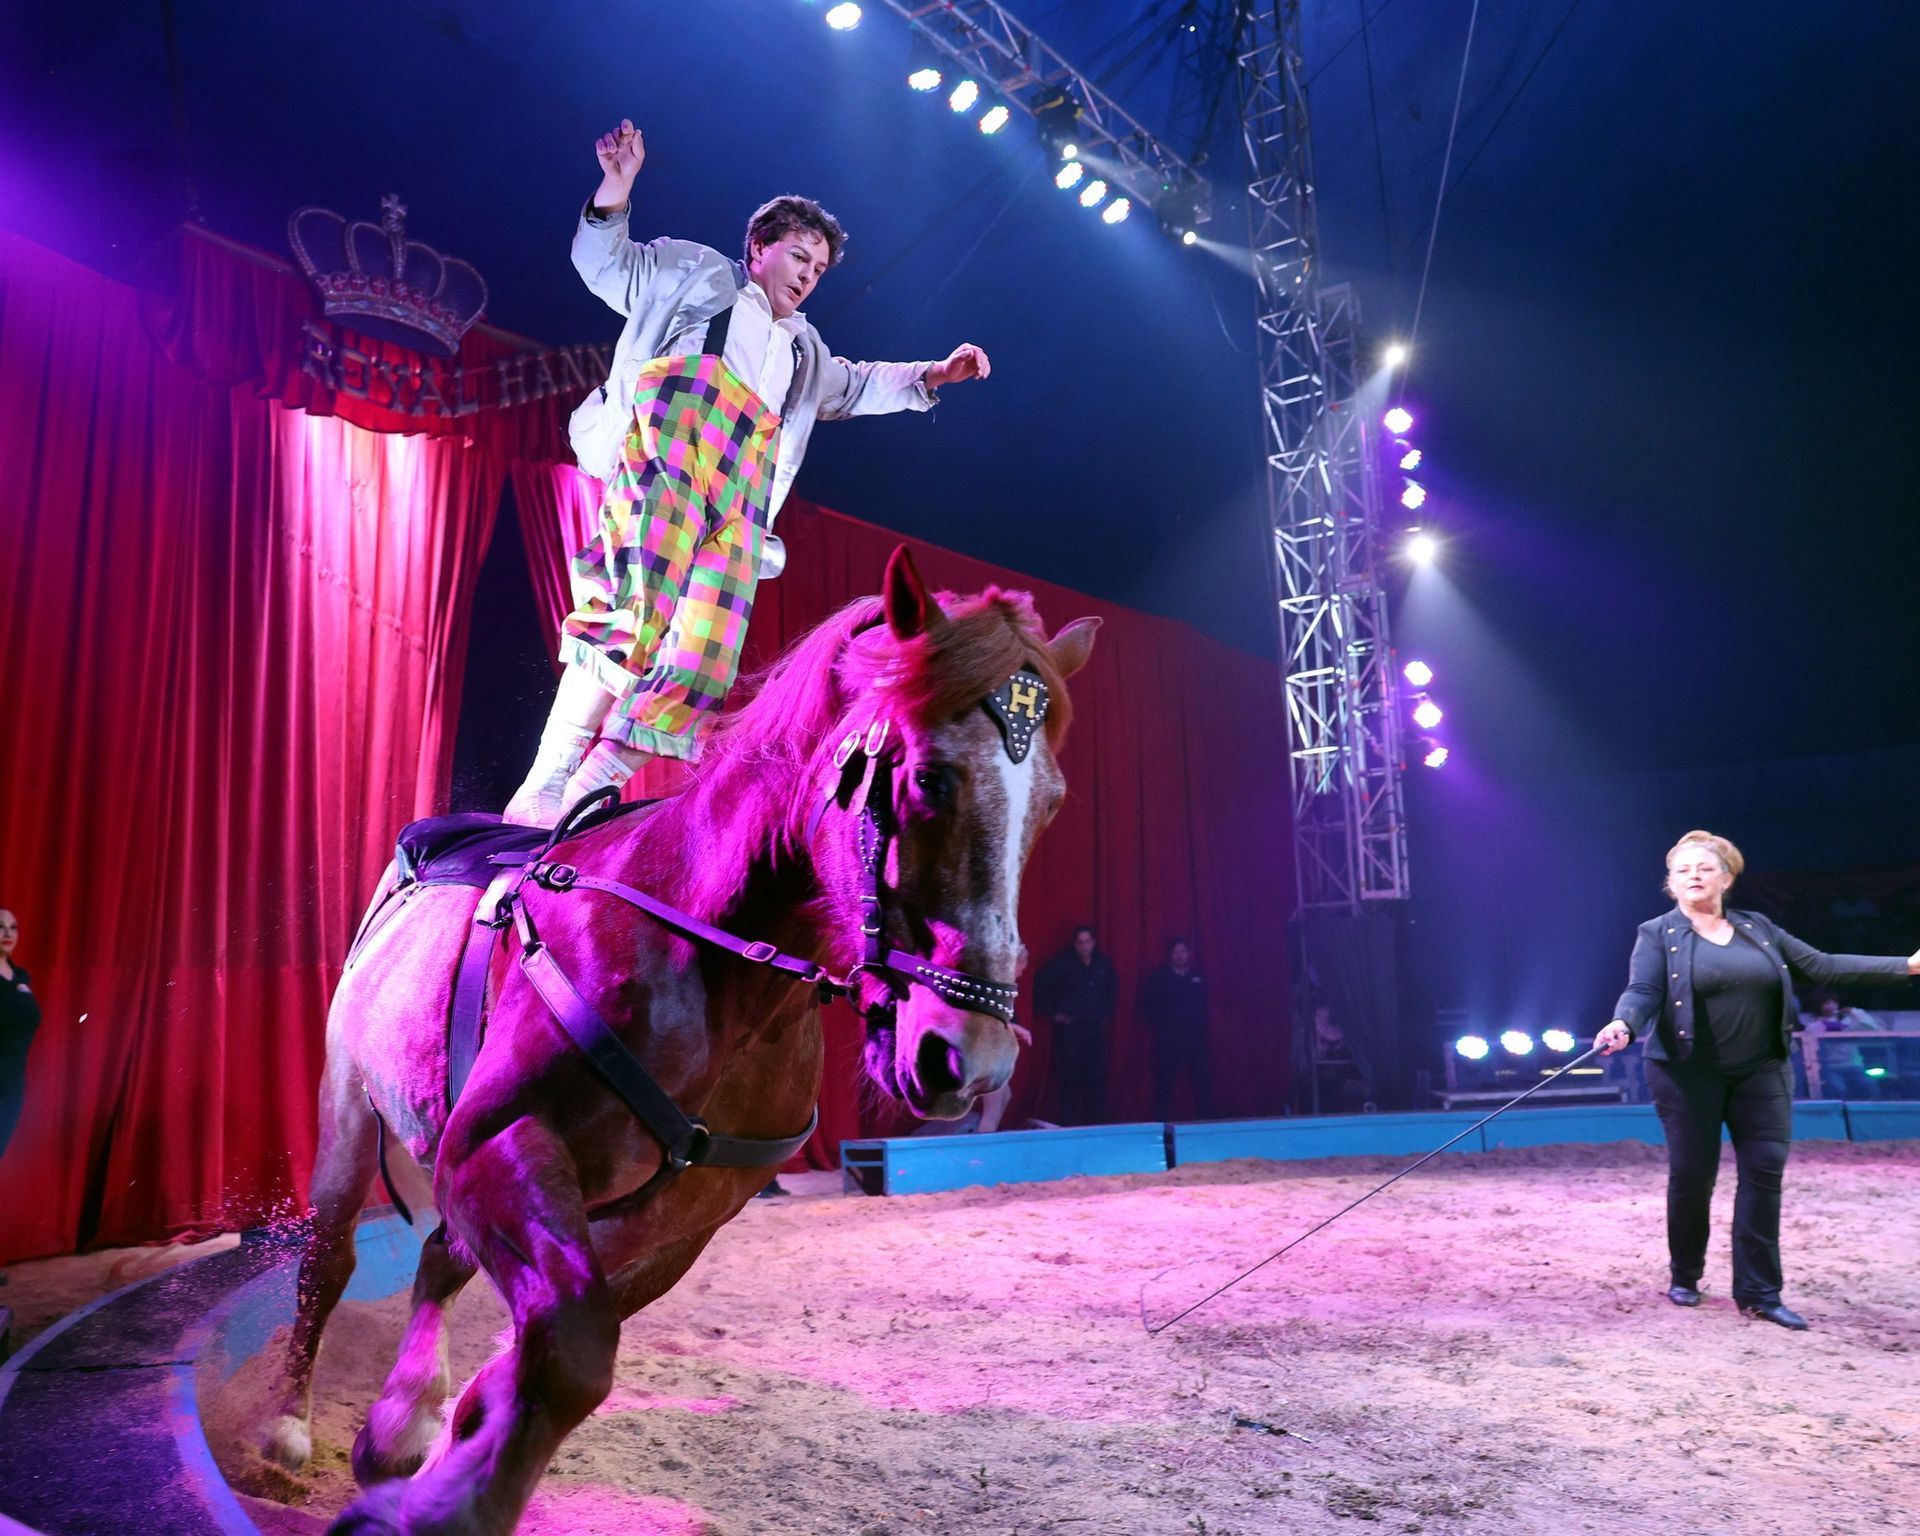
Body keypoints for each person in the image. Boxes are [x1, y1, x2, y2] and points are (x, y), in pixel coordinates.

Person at [506, 119, 993, 823]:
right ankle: (548, 779)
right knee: (633, 612)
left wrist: (933, 374)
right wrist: (616, 188)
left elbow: (854, 387)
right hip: (670, 456)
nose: (807, 276)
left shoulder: (805, 351)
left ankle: (591, 787)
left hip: (740, 500)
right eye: (799, 256)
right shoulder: (692, 272)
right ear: (759, 248)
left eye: (819, 269)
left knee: (705, 656)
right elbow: (607, 265)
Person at [1594, 830, 1919, 1330]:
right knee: (1692, 1177)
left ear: (1726, 878)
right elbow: (1642, 990)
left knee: (1763, 1179)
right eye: (1683, 871)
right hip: (1686, 1074)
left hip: (1762, 1072)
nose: (1693, 877)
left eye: (1704, 868)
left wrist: (1907, 966)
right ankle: (1686, 1274)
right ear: (1671, 883)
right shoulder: (1656, 933)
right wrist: (1624, 1023)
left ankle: (1760, 1293)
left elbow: (1823, 965)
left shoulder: (1759, 928)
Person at [1034, 926, 1118, 1125]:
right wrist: (1054, 1014)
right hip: (1071, 1028)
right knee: (1068, 1075)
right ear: (1074, 943)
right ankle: (1068, 1122)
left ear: (1094, 942)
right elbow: (1040, 984)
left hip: (1095, 1028)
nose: (1084, 946)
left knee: (1097, 1074)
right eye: (1080, 942)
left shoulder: (1103, 964)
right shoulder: (1062, 964)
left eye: (1087, 941)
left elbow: (1113, 989)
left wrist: (1105, 1011)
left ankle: (1096, 1121)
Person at [1138, 939, 1210, 1120]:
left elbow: (1205, 1003)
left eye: (1183, 951)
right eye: (1176, 952)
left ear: (1188, 953)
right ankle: (1163, 1125)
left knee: (1201, 1083)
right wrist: (1162, 1024)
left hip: (1194, 1039)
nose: (1179, 955)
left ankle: (1204, 1123)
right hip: (1168, 1040)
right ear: (1170, 954)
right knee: (1164, 1084)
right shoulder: (1159, 977)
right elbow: (1146, 1005)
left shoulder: (1197, 976)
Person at [0, 908, 41, 1161]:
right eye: (0, 926)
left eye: (13, 927)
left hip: (12, 1089)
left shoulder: (21, 978)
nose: (7, 933)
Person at [1800, 994, 1886, 1100]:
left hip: (1854, 1066)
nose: (1831, 1006)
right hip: (1831, 1068)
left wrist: (1854, 1011)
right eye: (1827, 1003)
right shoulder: (1813, 1027)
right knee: (1838, 1089)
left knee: (1869, 1085)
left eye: (1834, 1003)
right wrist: (1826, 1027)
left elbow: (1870, 1027)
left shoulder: (1849, 1023)